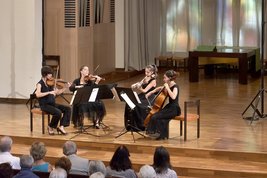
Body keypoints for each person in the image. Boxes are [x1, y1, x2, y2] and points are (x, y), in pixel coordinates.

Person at [35, 66, 71, 135]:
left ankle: (61, 126)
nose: (51, 75)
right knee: (58, 112)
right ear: (45, 74)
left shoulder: (50, 84)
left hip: (52, 104)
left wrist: (65, 88)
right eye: (50, 74)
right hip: (44, 105)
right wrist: (49, 92)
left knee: (67, 109)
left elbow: (57, 92)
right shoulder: (39, 84)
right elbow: (38, 95)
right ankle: (50, 126)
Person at [145, 70, 181, 140]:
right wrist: (151, 92)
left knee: (156, 116)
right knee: (158, 116)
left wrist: (167, 88)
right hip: (169, 107)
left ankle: (157, 133)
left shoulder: (175, 86)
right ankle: (162, 135)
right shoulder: (168, 85)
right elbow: (159, 88)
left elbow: (173, 97)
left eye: (165, 78)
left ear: (169, 78)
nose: (163, 79)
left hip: (174, 109)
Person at [124, 64, 158, 131]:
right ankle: (131, 124)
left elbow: (145, 90)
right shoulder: (146, 77)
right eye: (145, 72)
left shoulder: (153, 80)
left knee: (137, 105)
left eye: (148, 72)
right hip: (143, 96)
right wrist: (135, 85)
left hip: (149, 97)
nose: (146, 73)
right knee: (130, 103)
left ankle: (140, 125)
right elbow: (140, 83)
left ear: (152, 72)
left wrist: (139, 87)